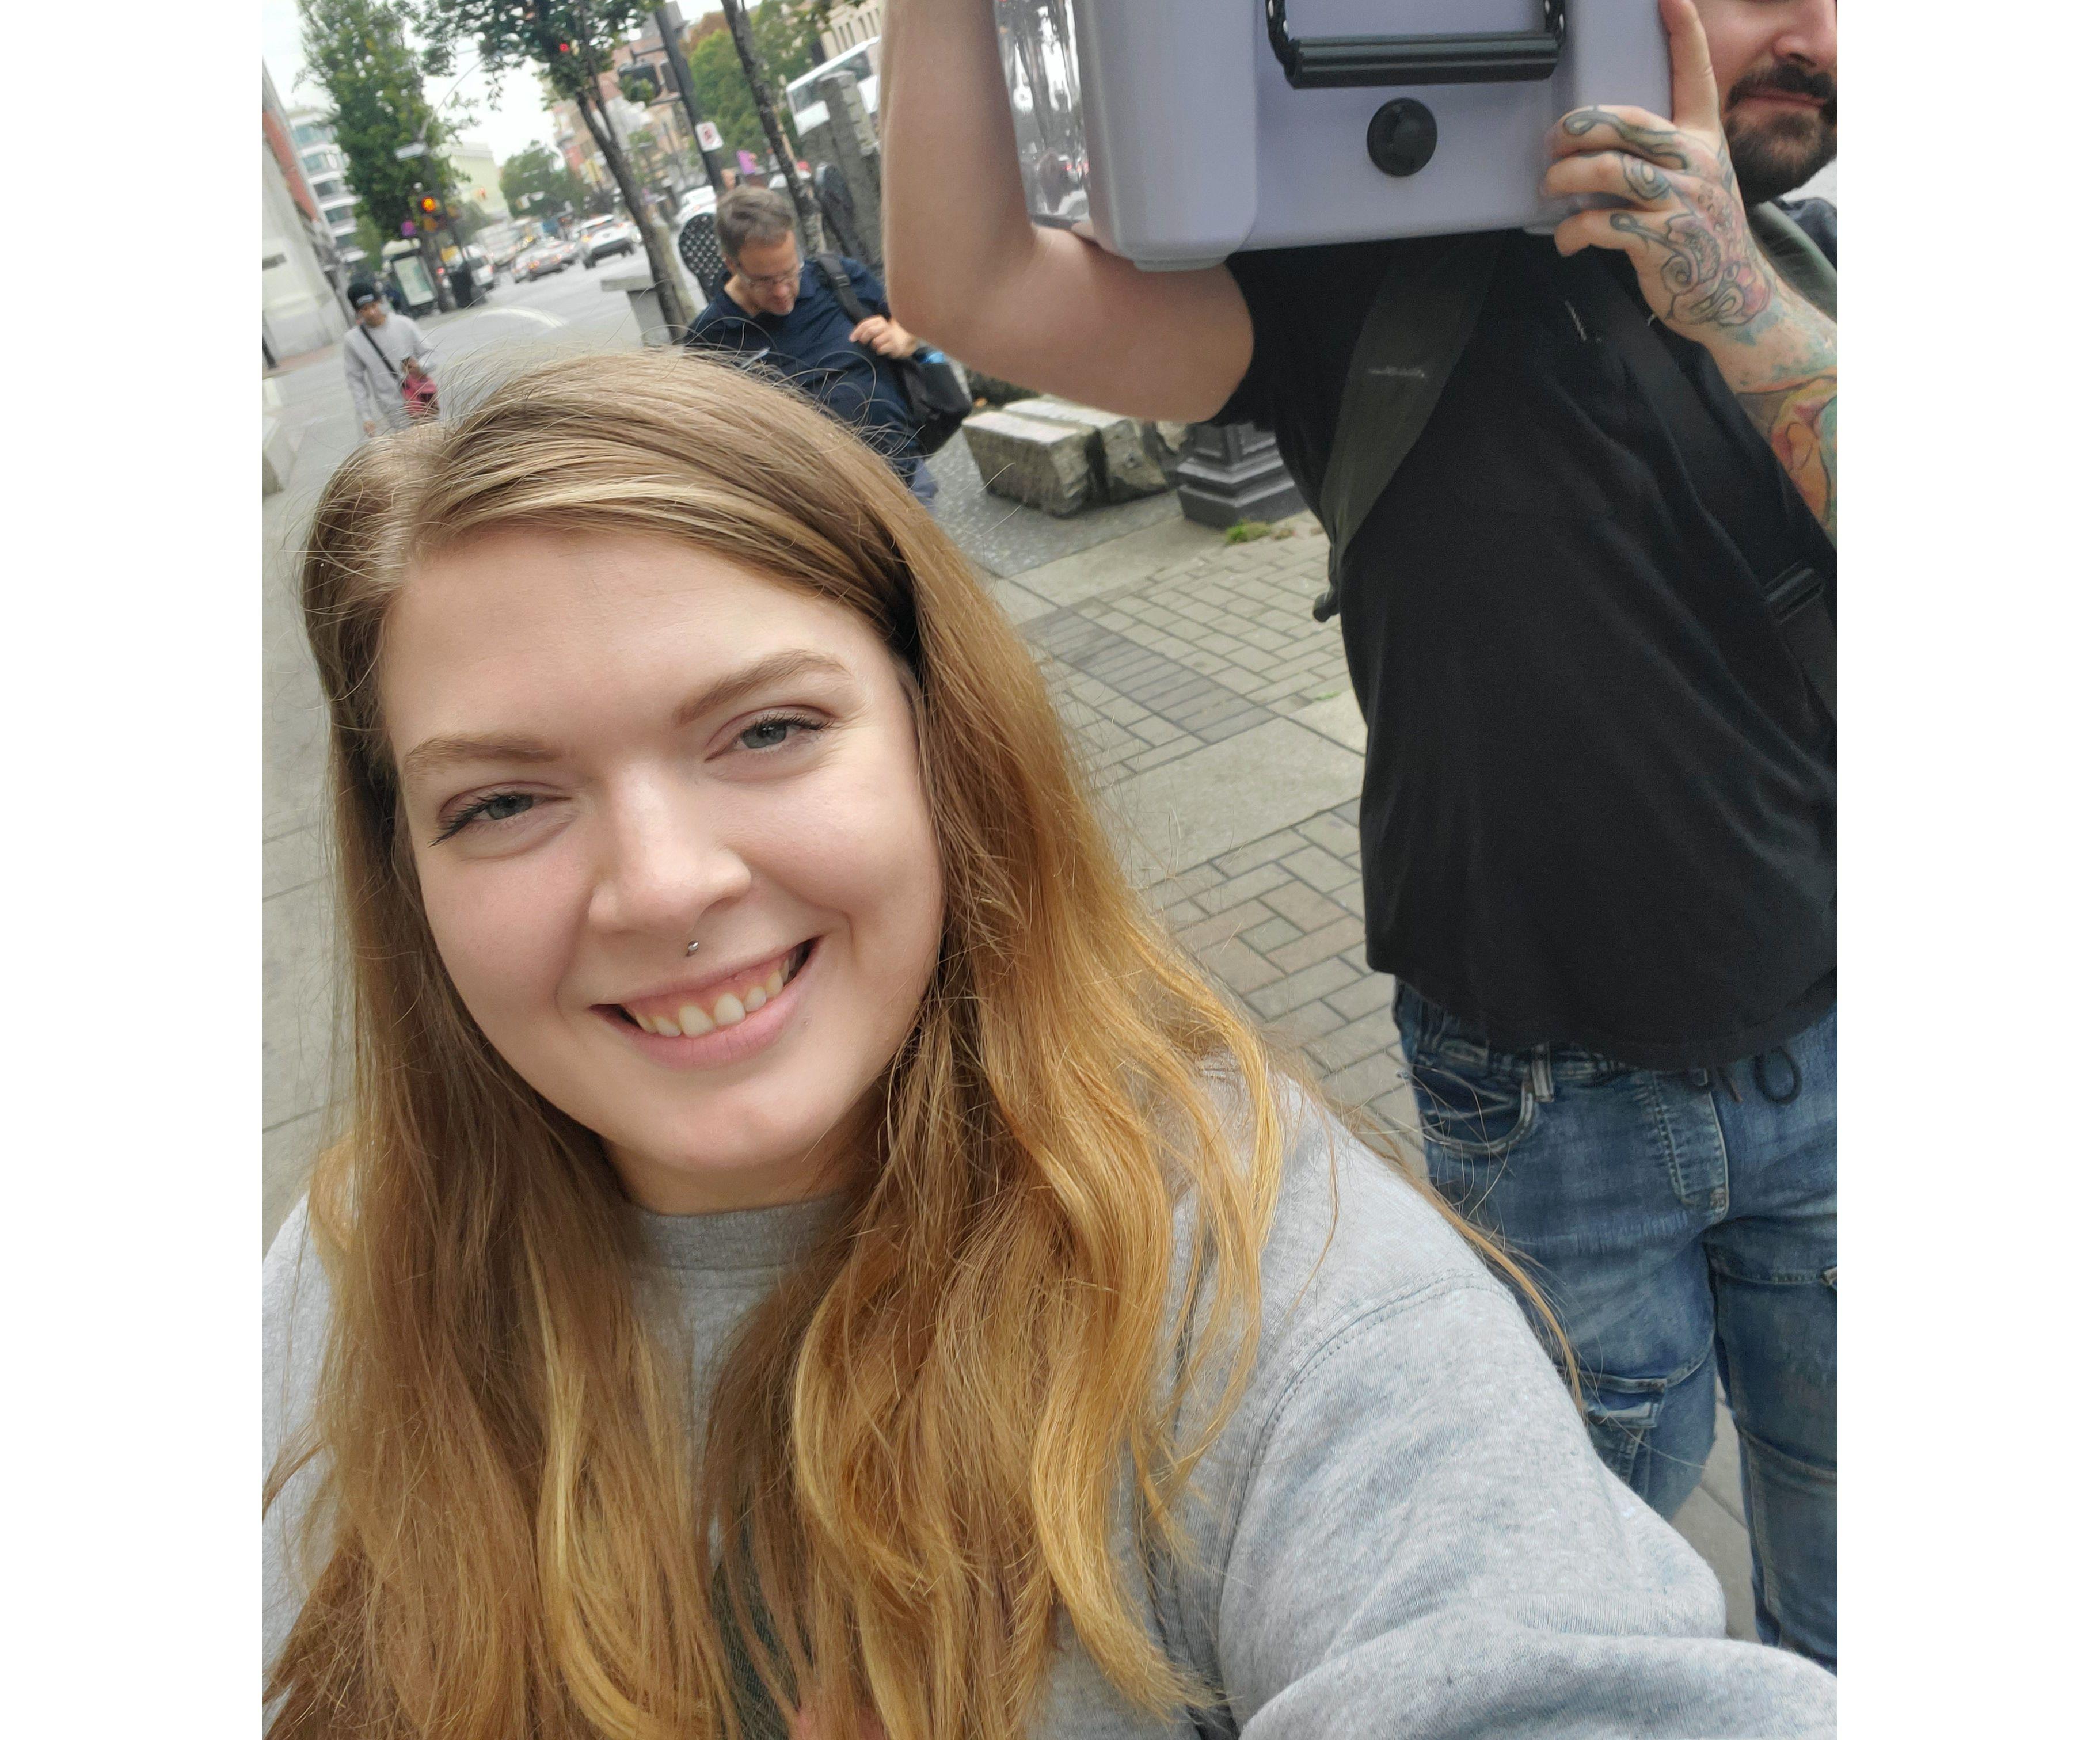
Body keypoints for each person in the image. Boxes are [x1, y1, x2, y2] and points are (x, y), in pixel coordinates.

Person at [264, 351, 1835, 1737]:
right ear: (405, 874)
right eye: (504, 801)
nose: (665, 883)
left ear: (943, 746)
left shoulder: (1249, 1283)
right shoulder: (335, 1287)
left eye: (768, 730)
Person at [882, 0, 1838, 1670]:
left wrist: (1726, 293)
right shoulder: (1375, 274)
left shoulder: (1823, 280)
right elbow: (962, 277)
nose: (1808, 33)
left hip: (1841, 1058)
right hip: (1546, 1094)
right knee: (1548, 1606)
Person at [683, 184, 941, 508]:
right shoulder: (709, 337)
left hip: (901, 477)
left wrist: (901, 335)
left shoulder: (836, 277)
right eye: (763, 281)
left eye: (790, 272)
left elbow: (909, 320)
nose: (782, 291)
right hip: (816, 512)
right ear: (732, 265)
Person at [341, 276, 435, 439]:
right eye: (364, 309)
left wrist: (420, 367)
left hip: (422, 398)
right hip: (393, 408)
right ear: (357, 312)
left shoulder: (403, 324)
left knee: (435, 440)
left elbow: (430, 353)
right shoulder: (353, 340)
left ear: (380, 302)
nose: (371, 312)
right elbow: (355, 381)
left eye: (373, 306)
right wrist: (366, 416)